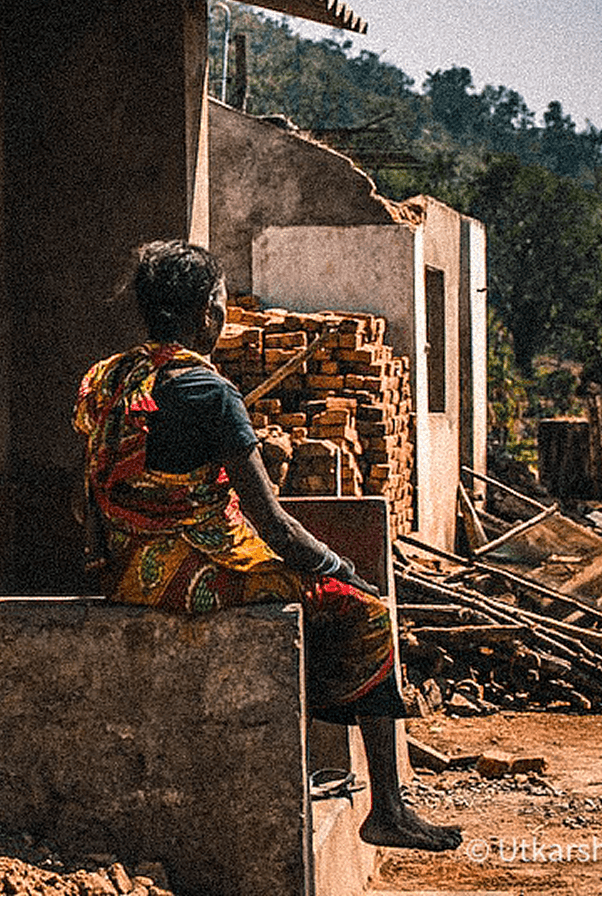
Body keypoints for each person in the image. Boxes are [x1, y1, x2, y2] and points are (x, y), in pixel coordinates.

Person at [73, 239, 462, 852]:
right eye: (221, 302)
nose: (224, 316)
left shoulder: (111, 376)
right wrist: (342, 566)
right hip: (184, 572)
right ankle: (387, 807)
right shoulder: (208, 390)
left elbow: (94, 486)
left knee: (317, 594)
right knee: (360, 610)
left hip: (122, 569)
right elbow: (273, 523)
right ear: (206, 313)